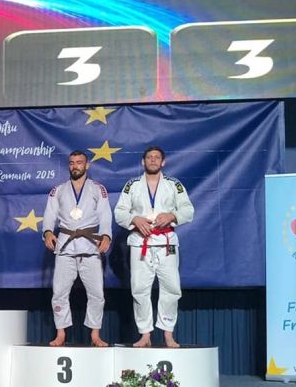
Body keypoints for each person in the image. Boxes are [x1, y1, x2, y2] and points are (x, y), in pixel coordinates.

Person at [114, 146, 194, 348]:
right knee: (139, 289)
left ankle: (168, 333)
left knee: (171, 287)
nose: (153, 160)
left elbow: (188, 210)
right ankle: (145, 334)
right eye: (149, 157)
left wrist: (172, 215)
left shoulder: (174, 184)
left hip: (166, 242)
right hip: (140, 242)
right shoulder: (132, 185)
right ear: (143, 161)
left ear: (163, 162)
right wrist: (134, 218)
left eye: (157, 157)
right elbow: (119, 212)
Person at [42, 150, 112, 347]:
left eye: (79, 162)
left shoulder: (98, 189)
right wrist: (47, 232)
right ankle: (61, 333)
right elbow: (49, 214)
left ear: (87, 165)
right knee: (59, 293)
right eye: (72, 163)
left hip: (90, 245)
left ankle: (95, 334)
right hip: (65, 245)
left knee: (97, 293)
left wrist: (106, 235)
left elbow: (105, 214)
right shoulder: (58, 190)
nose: (75, 166)